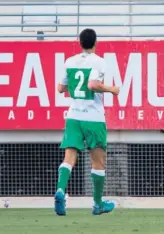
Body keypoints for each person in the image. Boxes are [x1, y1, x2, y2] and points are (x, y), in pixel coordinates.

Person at [54, 28, 120, 216]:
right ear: (95, 42)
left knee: (69, 157)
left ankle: (60, 190)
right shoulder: (99, 62)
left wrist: (75, 85)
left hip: (74, 116)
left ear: (80, 43)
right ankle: (97, 204)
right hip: (93, 117)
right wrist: (111, 89)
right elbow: (92, 85)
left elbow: (60, 88)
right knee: (97, 161)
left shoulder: (69, 61)